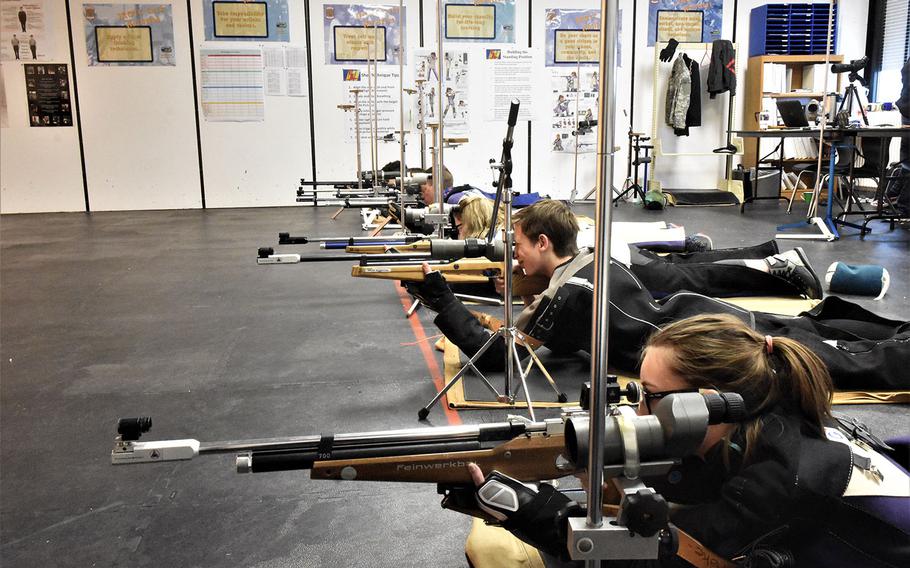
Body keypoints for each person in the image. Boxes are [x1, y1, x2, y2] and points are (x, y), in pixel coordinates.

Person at [463, 314, 910, 566]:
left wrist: (530, 509)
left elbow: (663, 557)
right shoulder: (756, 425)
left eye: (651, 397)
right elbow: (687, 490)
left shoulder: (775, 478)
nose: (637, 412)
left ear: (707, 404)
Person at [407, 199, 909, 390]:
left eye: (517, 247)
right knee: (806, 328)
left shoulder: (570, 295)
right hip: (692, 319)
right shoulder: (587, 265)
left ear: (543, 243)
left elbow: (500, 356)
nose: (513, 257)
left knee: (820, 357)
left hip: (693, 341)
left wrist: (441, 300)